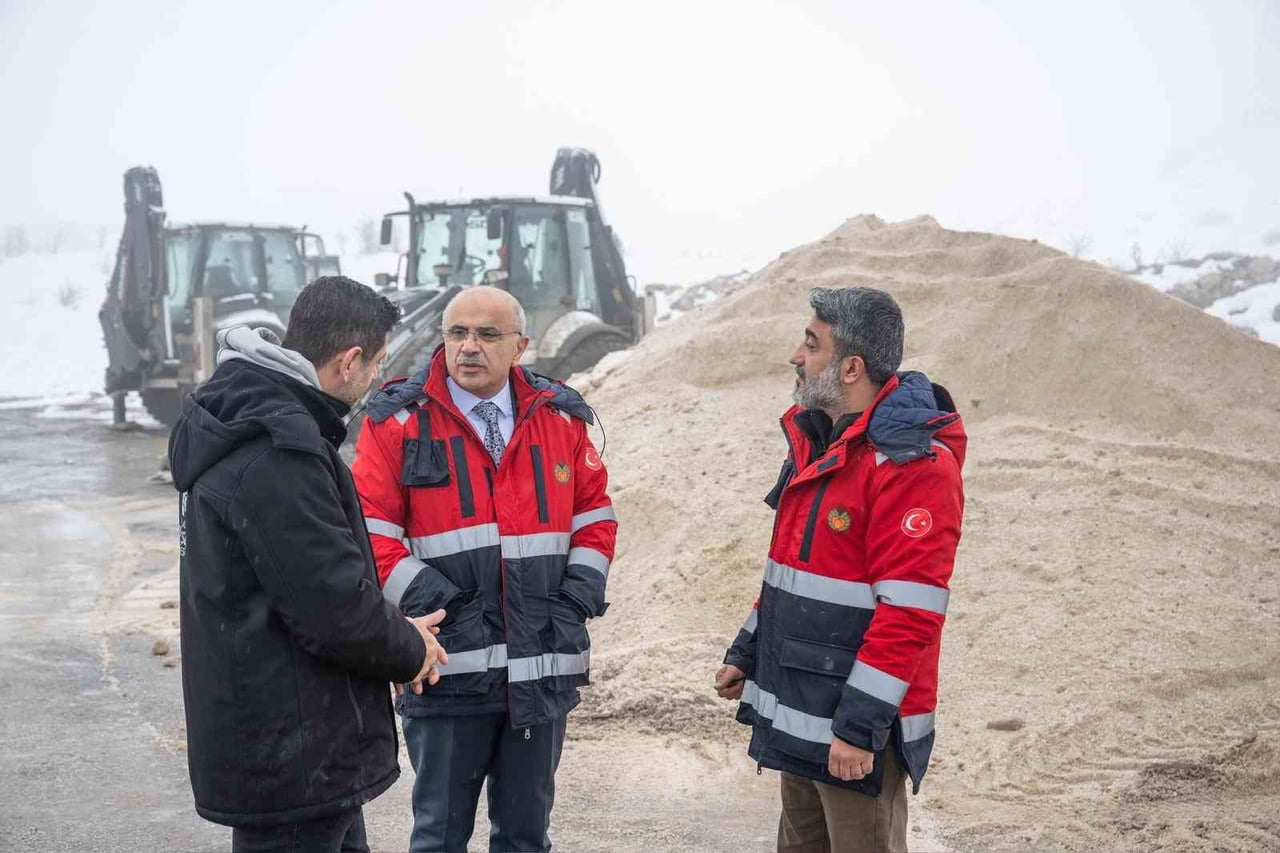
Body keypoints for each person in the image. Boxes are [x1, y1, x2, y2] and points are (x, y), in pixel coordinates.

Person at [168, 276, 449, 853]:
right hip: (293, 753)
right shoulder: (279, 452)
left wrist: (394, 634)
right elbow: (332, 605)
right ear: (349, 361)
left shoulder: (250, 424)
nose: (377, 378)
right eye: (376, 364)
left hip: (299, 744)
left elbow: (304, 586)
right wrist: (411, 648)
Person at [352, 285, 617, 853]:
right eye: (458, 333)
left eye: (487, 335)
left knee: (526, 838)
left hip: (541, 666)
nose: (469, 347)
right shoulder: (397, 424)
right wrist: (447, 610)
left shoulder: (560, 419)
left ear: (520, 346)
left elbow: (595, 517)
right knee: (440, 838)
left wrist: (575, 600)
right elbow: (371, 537)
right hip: (447, 667)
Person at [714, 287, 966, 853]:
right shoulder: (818, 443)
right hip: (800, 709)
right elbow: (790, 574)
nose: (795, 356)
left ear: (851, 368)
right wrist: (747, 651)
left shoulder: (913, 466)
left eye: (811, 345)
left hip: (852, 732)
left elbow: (910, 614)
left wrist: (857, 729)